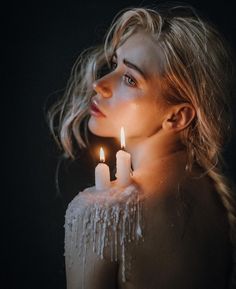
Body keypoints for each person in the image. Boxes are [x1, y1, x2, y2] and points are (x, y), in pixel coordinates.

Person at [47, 3, 236, 289]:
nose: (99, 84)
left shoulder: (99, 214)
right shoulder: (215, 195)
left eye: (130, 79)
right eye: (115, 64)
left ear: (176, 116)